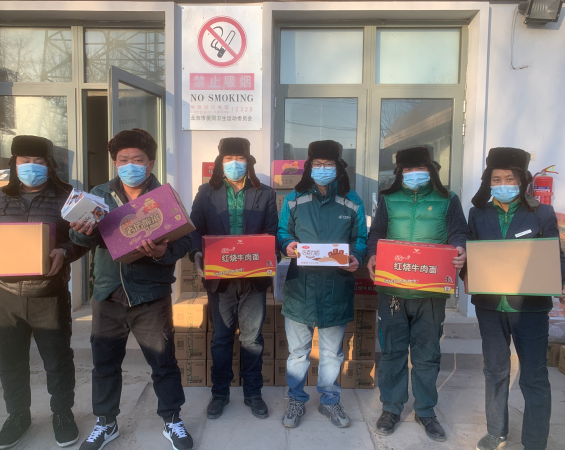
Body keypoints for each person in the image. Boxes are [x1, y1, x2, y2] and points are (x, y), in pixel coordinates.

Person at [70, 129, 193, 450]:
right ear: (115, 163)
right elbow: (81, 241)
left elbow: (187, 239)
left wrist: (163, 252)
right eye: (123, 160)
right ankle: (106, 422)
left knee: (163, 362)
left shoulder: (164, 198)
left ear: (150, 163)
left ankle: (172, 419)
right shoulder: (99, 195)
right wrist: (82, 232)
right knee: (105, 364)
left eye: (137, 160)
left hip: (150, 295)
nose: (130, 166)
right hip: (108, 294)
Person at [0, 135, 88, 449]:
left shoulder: (68, 199)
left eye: (38, 161)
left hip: (48, 294)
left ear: (49, 165)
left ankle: (62, 414)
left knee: (58, 360)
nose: (31, 167)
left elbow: (84, 240)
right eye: (25, 161)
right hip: (3, 295)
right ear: (14, 163)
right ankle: (17, 416)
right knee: (10, 362)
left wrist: (65, 251)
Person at [465, 147, 565, 450]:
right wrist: (464, 270)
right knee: (495, 370)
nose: (503, 184)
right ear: (488, 182)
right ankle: (496, 431)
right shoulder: (478, 213)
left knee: (534, 376)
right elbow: (469, 254)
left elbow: (555, 259)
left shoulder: (542, 213)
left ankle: (535, 441)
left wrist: (558, 284)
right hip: (490, 306)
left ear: (522, 180)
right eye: (497, 179)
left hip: (530, 308)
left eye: (510, 179)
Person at [366, 145, 468, 441]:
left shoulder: (448, 199)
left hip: (430, 292)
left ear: (431, 169)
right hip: (393, 290)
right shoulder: (388, 199)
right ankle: (391, 408)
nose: (413, 174)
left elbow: (458, 232)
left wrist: (460, 248)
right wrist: (372, 254)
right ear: (400, 172)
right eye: (407, 169)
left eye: (419, 168)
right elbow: (377, 233)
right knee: (393, 351)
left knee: (427, 354)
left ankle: (425, 411)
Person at [277, 140, 367, 429]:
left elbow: (361, 238)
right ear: (309, 166)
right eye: (318, 164)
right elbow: (282, 231)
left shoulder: (352, 201)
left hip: (335, 288)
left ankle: (330, 400)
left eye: (329, 164)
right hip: (300, 288)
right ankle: (296, 399)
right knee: (297, 353)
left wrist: (356, 256)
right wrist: (287, 244)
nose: (323, 169)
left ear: (338, 167)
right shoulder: (294, 199)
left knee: (331, 352)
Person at [189, 137, 278, 420]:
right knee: (221, 338)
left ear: (248, 161)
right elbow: (194, 229)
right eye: (228, 158)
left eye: (239, 158)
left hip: (254, 280)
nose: (234, 163)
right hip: (220, 281)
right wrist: (196, 254)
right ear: (221, 162)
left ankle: (253, 393)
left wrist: (271, 253)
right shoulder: (206, 192)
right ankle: (220, 394)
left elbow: (273, 232)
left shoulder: (265, 193)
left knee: (252, 339)